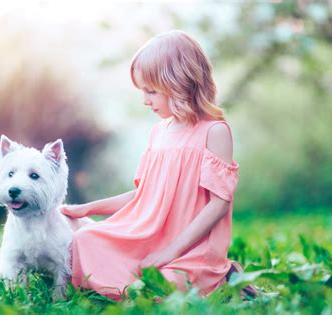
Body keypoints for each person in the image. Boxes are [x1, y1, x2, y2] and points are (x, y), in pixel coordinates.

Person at [62, 30, 255, 300]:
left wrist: (170, 252)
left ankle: (222, 277)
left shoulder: (215, 131)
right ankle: (127, 285)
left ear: (179, 85)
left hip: (190, 250)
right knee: (86, 239)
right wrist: (87, 209)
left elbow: (219, 204)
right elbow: (144, 196)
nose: (145, 100)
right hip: (151, 238)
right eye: (143, 91)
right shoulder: (159, 133)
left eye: (151, 91)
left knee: (162, 287)